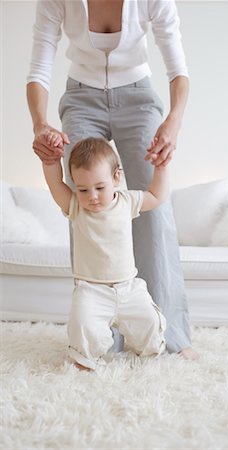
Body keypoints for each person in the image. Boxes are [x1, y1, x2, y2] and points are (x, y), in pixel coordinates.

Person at [27, 0, 198, 359]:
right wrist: (41, 124)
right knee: (86, 206)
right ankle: (99, 336)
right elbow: (40, 66)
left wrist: (174, 124)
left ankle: (170, 338)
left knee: (154, 212)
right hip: (80, 97)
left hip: (138, 95)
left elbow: (177, 68)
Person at [43, 136, 167, 370]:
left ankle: (149, 354)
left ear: (116, 178)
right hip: (92, 290)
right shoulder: (76, 207)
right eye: (83, 189)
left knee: (150, 322)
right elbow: (55, 184)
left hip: (128, 287)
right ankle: (86, 360)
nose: (92, 196)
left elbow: (157, 196)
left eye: (100, 187)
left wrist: (161, 167)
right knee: (82, 325)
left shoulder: (126, 201)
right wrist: (50, 159)